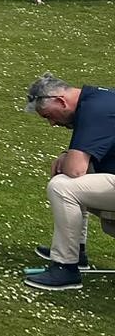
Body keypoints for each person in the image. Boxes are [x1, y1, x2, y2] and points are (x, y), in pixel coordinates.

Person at [23, 74, 115, 291]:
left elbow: (75, 169)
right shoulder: (96, 99)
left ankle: (65, 268)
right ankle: (76, 250)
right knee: (67, 179)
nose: (52, 123)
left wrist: (67, 158)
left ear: (61, 101)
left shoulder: (95, 109)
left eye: (48, 116)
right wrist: (67, 155)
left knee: (63, 186)